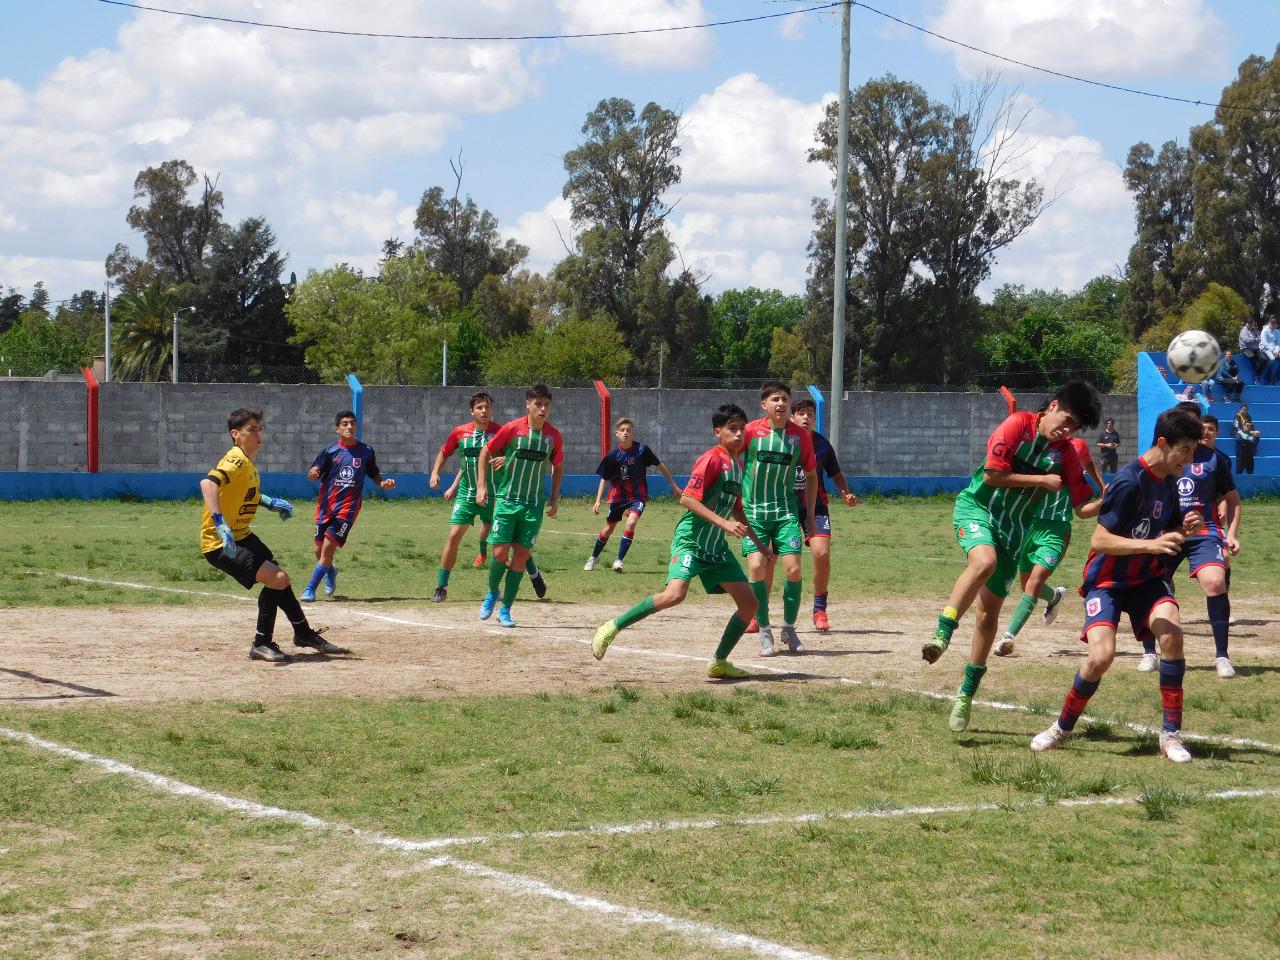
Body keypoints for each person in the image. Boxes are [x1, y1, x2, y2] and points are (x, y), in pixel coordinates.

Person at [1030, 406, 1205, 764]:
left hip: (1147, 579)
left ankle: (1170, 734)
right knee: (1101, 656)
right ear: (1162, 443)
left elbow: (1166, 531)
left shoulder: (1170, 482)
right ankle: (1062, 727)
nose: (1189, 459)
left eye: (1193, 451)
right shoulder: (1128, 482)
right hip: (1107, 581)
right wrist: (1151, 545)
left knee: (1171, 634)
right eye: (1185, 449)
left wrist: (1184, 527)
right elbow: (1100, 540)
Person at [937, 385, 1102, 733]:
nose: (1068, 431)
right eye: (1067, 421)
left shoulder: (1066, 454)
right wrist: (1041, 480)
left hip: (1015, 532)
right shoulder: (1017, 425)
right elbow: (992, 474)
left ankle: (965, 694)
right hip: (977, 509)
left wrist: (1119, 497)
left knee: (988, 615)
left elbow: (1083, 507)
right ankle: (942, 633)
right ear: (1052, 406)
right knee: (983, 563)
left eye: (1075, 428)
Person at [591, 403, 769, 679]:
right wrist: (724, 524)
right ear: (717, 432)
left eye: (742, 429)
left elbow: (736, 507)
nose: (739, 434)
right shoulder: (710, 459)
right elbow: (687, 498)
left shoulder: (738, 465)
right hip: (691, 540)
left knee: (750, 604)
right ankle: (612, 627)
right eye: (732, 429)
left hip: (715, 547)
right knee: (675, 595)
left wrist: (757, 542)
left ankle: (719, 662)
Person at [199, 407, 345, 662]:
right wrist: (219, 522)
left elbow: (245, 494)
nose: (258, 434)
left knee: (281, 581)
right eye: (251, 430)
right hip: (221, 542)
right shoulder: (235, 460)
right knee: (277, 578)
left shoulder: (247, 463)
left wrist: (269, 502)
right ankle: (261, 643)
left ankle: (303, 633)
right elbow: (208, 483)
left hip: (242, 535)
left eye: (260, 429)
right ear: (236, 434)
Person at [1135, 409, 1242, 678]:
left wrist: (1231, 534)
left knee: (1216, 582)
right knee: (1148, 582)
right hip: (1167, 534)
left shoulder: (1214, 459)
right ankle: (1149, 652)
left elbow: (1233, 499)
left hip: (1203, 533)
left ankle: (1222, 656)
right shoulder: (1161, 458)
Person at [990, 433, 1104, 664]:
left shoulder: (1076, 447)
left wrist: (1106, 493)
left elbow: (1089, 470)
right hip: (1029, 525)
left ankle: (1007, 637)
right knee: (1027, 584)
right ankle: (1055, 597)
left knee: (1033, 583)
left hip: (1056, 530)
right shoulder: (1036, 445)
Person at [475, 383, 563, 628]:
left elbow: (558, 467)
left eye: (547, 404)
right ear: (528, 404)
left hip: (533, 505)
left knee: (521, 556)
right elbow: (486, 451)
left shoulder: (553, 436)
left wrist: (554, 498)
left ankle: (506, 609)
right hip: (506, 500)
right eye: (538, 404)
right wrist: (482, 486)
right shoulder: (512, 429)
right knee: (499, 553)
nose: (543, 408)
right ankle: (493, 591)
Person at [741, 381, 817, 657]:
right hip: (754, 514)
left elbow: (811, 475)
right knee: (758, 567)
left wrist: (809, 515)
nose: (781, 404)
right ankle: (764, 631)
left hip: (785, 512)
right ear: (764, 405)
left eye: (785, 399)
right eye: (775, 399)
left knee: (794, 570)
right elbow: (733, 461)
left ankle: (788, 628)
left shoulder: (800, 437)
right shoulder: (750, 432)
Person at [301, 410, 396, 602]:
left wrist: (383, 484)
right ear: (337, 429)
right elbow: (313, 475)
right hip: (325, 507)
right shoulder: (329, 452)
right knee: (319, 550)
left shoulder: (366, 451)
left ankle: (310, 589)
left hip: (348, 508)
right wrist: (311, 474)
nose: (349, 427)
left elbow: (374, 474)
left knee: (328, 547)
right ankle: (331, 571)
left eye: (352, 423)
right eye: (344, 424)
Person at [429, 392, 499, 602]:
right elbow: (444, 452)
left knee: (503, 544)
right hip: (467, 495)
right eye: (479, 407)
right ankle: (441, 586)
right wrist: (435, 472)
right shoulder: (460, 433)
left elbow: (516, 453)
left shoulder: (501, 432)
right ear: (472, 411)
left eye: (487, 407)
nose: (484, 411)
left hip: (495, 496)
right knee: (453, 537)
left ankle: (498, 588)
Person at [584, 418, 677, 573]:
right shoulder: (613, 455)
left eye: (628, 430)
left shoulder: (642, 450)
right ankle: (593, 558)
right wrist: (597, 500)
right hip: (618, 497)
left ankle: (619, 561)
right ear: (617, 434)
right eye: (622, 430)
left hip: (637, 497)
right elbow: (604, 478)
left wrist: (673, 485)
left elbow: (660, 466)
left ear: (633, 433)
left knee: (631, 523)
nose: (625, 432)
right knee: (608, 529)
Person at [1233, 406, 1261, 475]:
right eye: (1247, 425)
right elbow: (1242, 440)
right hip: (1241, 458)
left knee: (1250, 474)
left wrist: (1253, 437)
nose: (1249, 426)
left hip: (1250, 458)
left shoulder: (1248, 417)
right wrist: (1252, 438)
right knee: (1238, 474)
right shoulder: (1239, 432)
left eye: (1250, 425)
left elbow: (1255, 442)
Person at [1260, 317, 1280, 385]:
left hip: (1274, 349)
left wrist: (1277, 350)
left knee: (1278, 358)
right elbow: (1265, 344)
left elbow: (1278, 343)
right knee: (1273, 359)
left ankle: (1277, 376)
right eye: (1272, 323)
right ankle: (1269, 377)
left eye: (1274, 323)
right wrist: (1272, 351)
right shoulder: (1264, 331)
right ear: (1269, 323)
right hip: (1265, 348)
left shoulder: (1277, 331)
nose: (1273, 325)